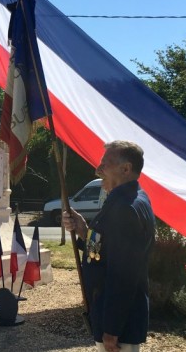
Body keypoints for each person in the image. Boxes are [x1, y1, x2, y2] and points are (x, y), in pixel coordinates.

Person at [63, 140, 156, 352]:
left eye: (106, 164)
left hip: (119, 322)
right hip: (111, 313)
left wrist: (111, 329)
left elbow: (122, 275)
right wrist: (83, 231)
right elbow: (108, 249)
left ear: (126, 169)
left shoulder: (125, 207)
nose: (98, 169)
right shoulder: (125, 199)